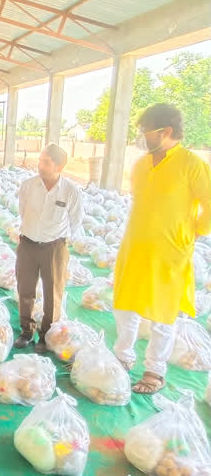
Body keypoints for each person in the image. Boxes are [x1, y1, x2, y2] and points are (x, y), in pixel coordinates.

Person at [112, 103, 211, 394]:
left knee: (162, 315)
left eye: (147, 131)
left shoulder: (191, 164)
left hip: (170, 254)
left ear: (166, 131)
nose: (143, 136)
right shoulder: (142, 165)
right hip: (135, 248)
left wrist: (192, 232)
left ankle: (155, 369)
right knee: (125, 307)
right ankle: (122, 357)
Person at [13, 144, 82, 353]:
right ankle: (27, 331)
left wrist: (61, 243)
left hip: (54, 247)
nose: (40, 165)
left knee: (53, 293)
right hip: (28, 244)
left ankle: (46, 335)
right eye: (40, 160)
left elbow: (76, 221)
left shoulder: (70, 191)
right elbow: (23, 212)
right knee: (25, 289)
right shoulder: (28, 185)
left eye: (46, 162)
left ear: (59, 166)